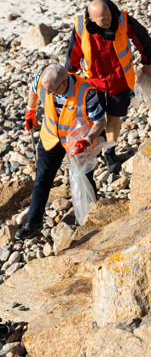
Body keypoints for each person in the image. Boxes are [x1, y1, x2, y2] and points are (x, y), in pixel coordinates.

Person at [65, 0, 151, 173]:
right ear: (91, 19)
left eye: (108, 16)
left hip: (119, 79)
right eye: (103, 20)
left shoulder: (122, 20)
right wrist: (69, 76)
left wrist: (148, 61)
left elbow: (143, 39)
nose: (108, 21)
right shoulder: (81, 27)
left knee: (114, 117)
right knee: (96, 118)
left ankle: (110, 152)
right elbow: (73, 54)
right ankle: (93, 145)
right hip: (94, 81)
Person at [16, 64, 106, 240]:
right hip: (51, 138)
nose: (47, 94)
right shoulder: (44, 80)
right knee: (42, 179)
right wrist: (30, 109)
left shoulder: (86, 92)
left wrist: (87, 140)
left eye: (51, 91)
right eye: (46, 90)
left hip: (78, 141)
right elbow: (34, 89)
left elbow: (100, 121)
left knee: (85, 178)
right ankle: (33, 224)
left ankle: (92, 218)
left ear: (64, 84)